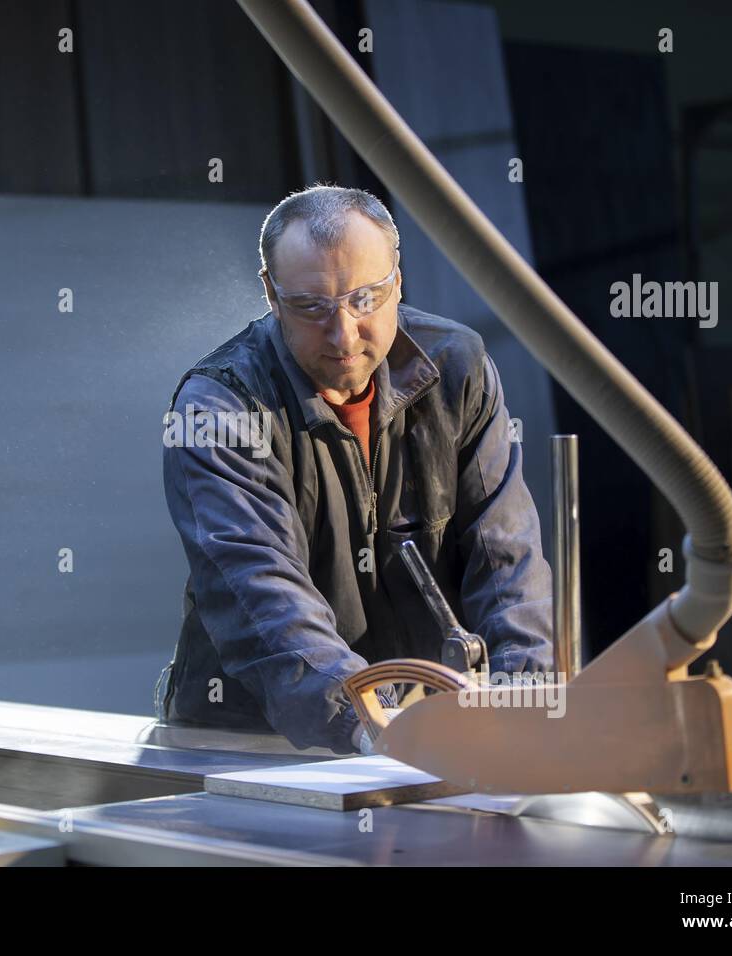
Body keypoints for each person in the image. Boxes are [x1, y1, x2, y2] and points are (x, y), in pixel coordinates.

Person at [154, 184, 553, 754]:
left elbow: (506, 557)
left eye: (365, 299)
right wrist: (376, 726)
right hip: (254, 743)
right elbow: (261, 595)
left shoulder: (457, 370)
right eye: (311, 307)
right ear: (270, 292)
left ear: (398, 281)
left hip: (426, 735)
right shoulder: (220, 407)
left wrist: (524, 703)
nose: (343, 335)